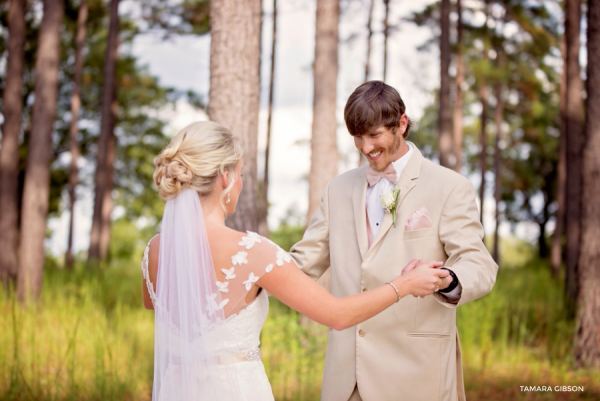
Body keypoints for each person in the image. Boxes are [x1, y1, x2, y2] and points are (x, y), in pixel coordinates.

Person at [140, 120, 450, 401]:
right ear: (224, 177)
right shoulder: (251, 251)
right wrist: (405, 284)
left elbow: (158, 305)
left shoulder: (155, 251)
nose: (240, 183)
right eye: (241, 174)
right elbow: (337, 315)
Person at [289, 81, 499, 401]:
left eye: (374, 135)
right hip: (347, 377)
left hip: (416, 376)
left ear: (401, 124)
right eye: (357, 137)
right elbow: (302, 263)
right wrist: (249, 263)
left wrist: (447, 278)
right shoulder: (337, 190)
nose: (365, 147)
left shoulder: (449, 187)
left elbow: (478, 262)